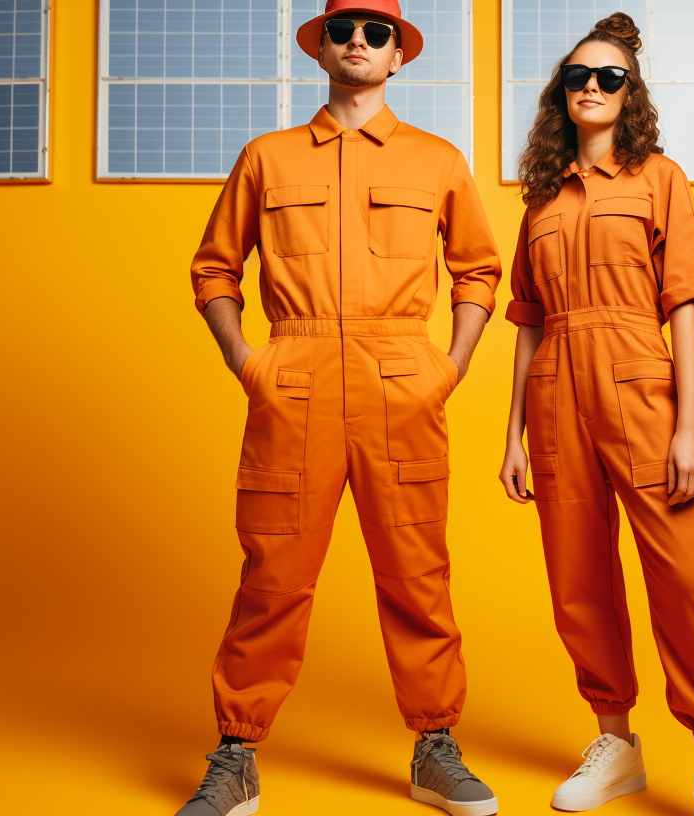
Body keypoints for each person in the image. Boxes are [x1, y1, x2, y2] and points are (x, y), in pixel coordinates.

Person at [179, 2, 503, 814]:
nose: (359, 41)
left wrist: (448, 368)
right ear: (320, 49)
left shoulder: (437, 160)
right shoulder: (268, 157)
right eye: (343, 30)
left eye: (377, 31)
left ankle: (434, 745)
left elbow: (478, 272)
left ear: (398, 56)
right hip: (294, 382)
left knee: (417, 577)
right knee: (272, 579)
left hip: (402, 381)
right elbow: (215, 270)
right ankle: (236, 755)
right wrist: (248, 362)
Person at [497, 13, 694, 816]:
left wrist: (689, 423)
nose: (594, 88)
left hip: (642, 386)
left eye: (610, 77)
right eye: (579, 76)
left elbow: (683, 305)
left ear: (631, 93)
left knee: (684, 578)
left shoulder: (658, 179)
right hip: (554, 393)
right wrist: (511, 434)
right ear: (560, 94)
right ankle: (616, 745)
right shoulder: (540, 198)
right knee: (579, 579)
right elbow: (529, 319)